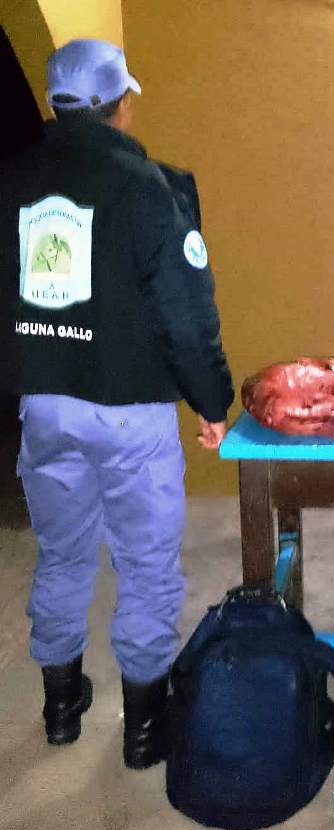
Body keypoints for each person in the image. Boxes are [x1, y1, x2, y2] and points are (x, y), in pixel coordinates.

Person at [0, 39, 234, 769]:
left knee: (63, 553)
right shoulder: (152, 188)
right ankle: (143, 728)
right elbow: (186, 315)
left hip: (44, 407)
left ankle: (60, 706)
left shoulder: (11, 180)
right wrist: (212, 401)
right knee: (146, 564)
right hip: (130, 414)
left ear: (56, 104)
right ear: (121, 105)